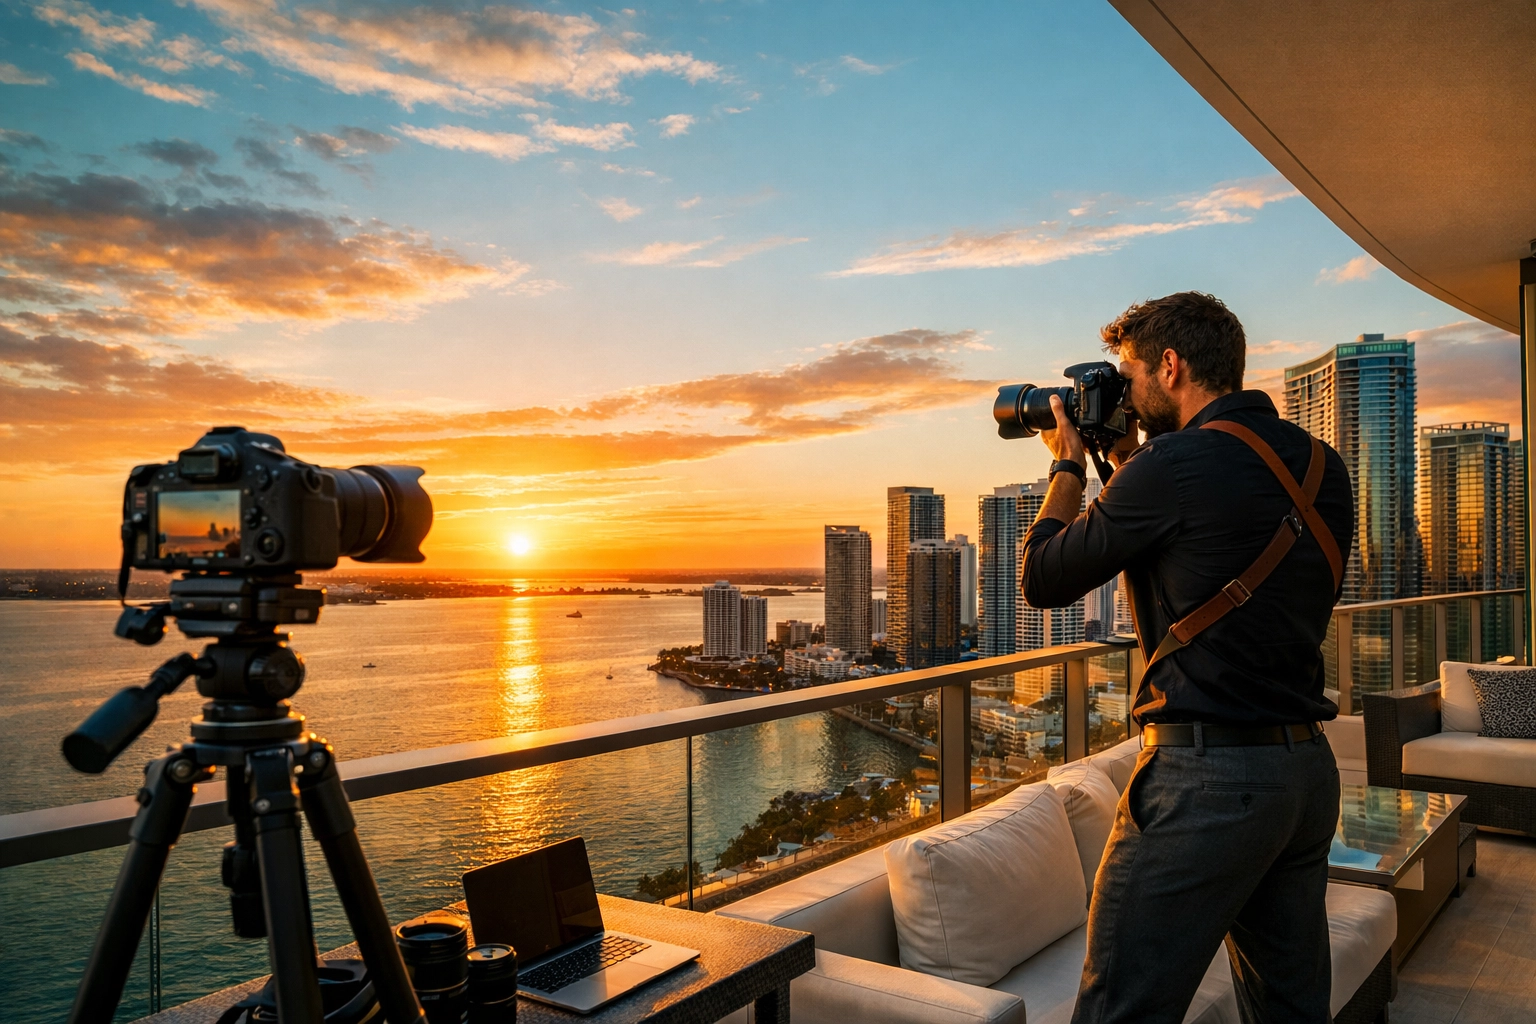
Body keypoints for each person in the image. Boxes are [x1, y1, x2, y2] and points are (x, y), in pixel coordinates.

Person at [1020, 292, 1353, 1024]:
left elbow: (1040, 576)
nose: (1128, 395)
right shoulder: (1325, 469)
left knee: (1121, 1010)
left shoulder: (1171, 466)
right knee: (1291, 1012)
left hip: (1206, 783)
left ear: (1169, 366)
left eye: (1130, 374)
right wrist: (1128, 464)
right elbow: (1208, 548)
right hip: (1302, 776)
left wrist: (1069, 466)